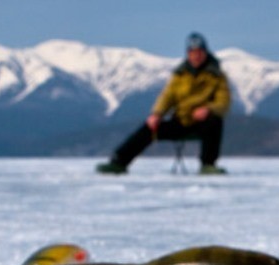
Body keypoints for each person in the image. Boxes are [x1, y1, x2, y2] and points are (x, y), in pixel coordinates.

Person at [97, 32, 231, 175]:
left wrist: (208, 109)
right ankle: (119, 162)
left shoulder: (217, 75)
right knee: (150, 127)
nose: (196, 56)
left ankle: (208, 165)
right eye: (192, 52)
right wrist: (157, 114)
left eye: (199, 52)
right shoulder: (179, 74)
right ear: (188, 54)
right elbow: (167, 96)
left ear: (205, 53)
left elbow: (224, 102)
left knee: (215, 121)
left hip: (202, 123)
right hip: (180, 121)